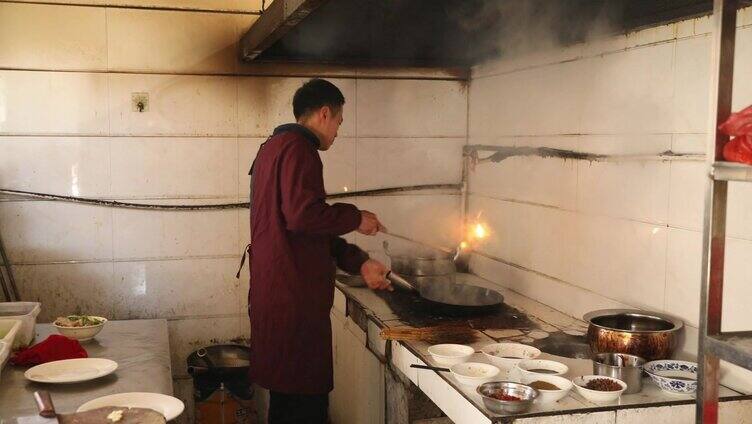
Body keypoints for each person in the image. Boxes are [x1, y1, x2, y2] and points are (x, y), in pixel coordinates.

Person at [247, 78, 392, 424]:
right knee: (303, 408)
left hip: (278, 296)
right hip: (293, 301)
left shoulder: (271, 148)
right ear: (325, 114)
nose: (338, 132)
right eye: (340, 122)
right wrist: (356, 217)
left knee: (288, 405)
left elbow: (306, 230)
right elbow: (303, 216)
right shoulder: (300, 150)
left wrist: (361, 263)